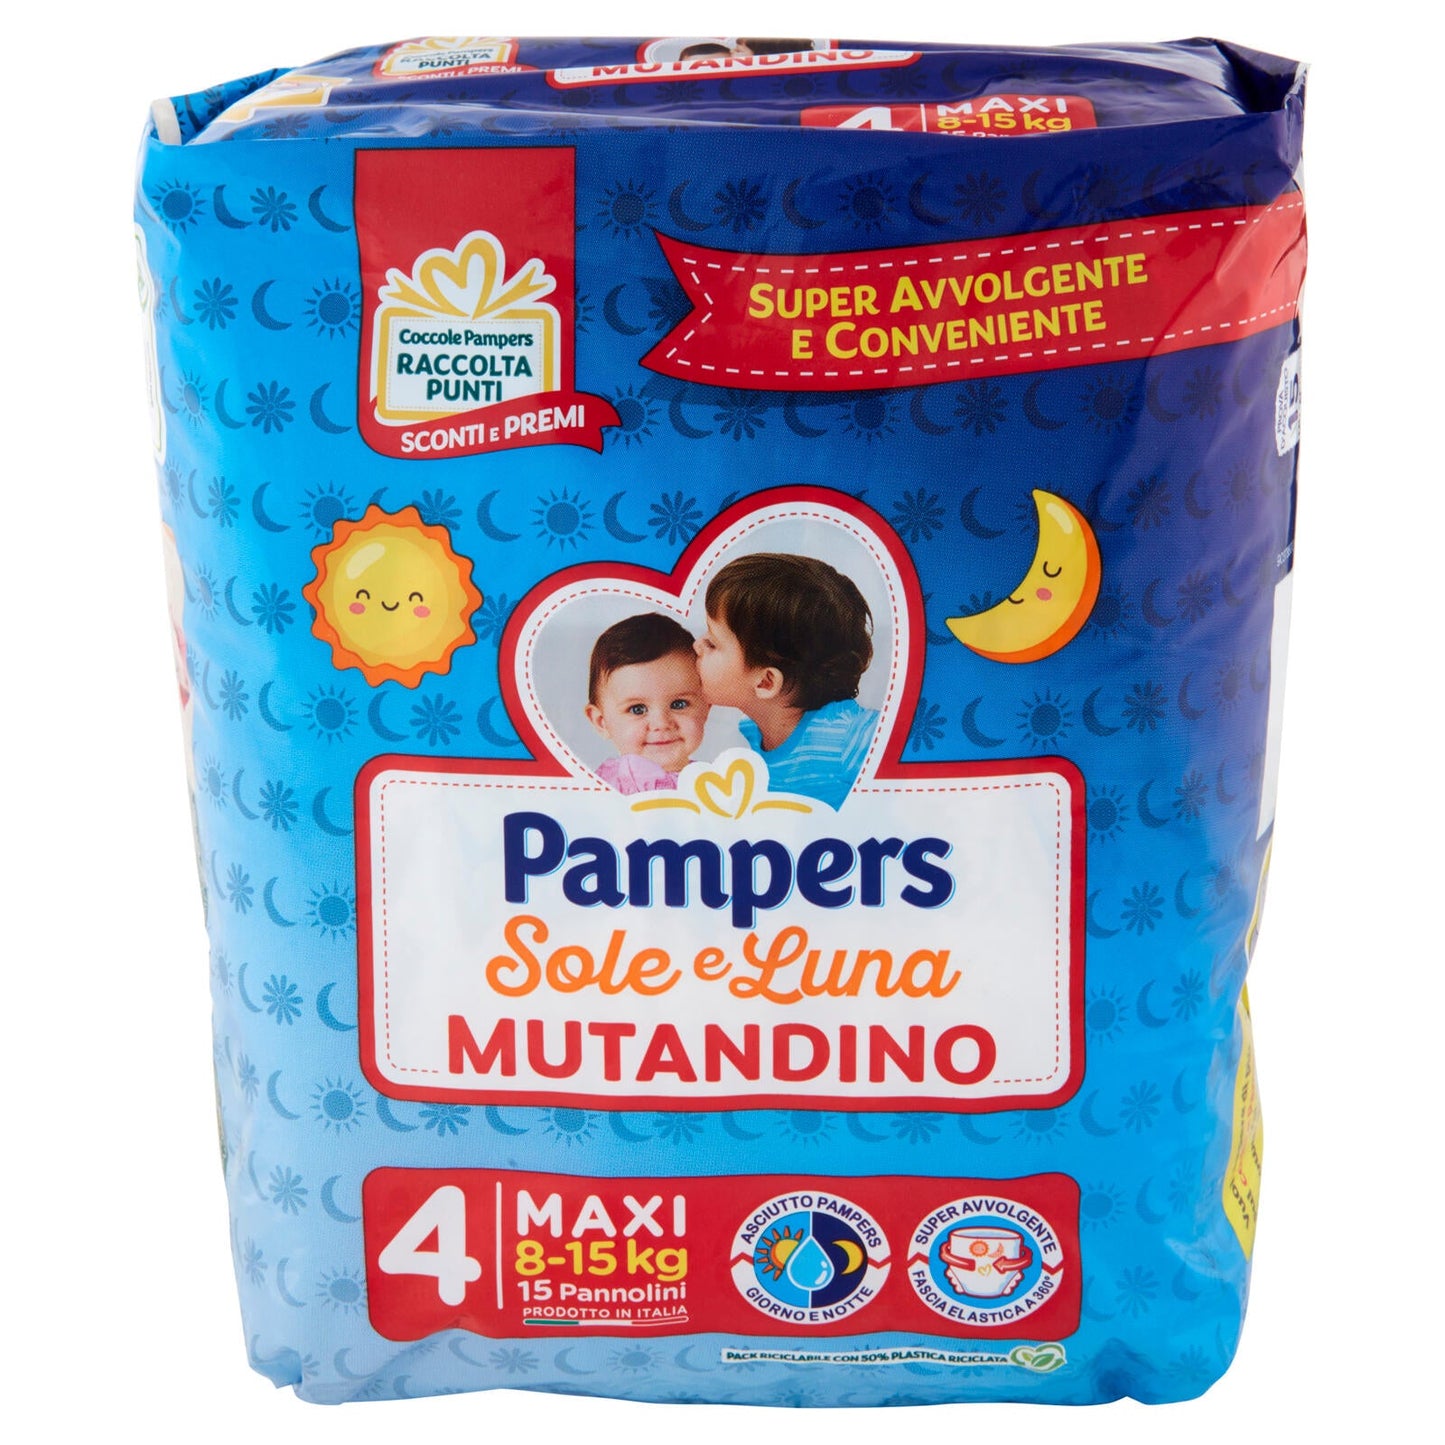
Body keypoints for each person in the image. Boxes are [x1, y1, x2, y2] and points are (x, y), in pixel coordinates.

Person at [695, 553, 877, 809]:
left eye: (713, 643)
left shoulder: (854, 738)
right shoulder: (753, 733)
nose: (697, 645)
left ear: (766, 682)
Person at [586, 613, 710, 794]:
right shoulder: (605, 788)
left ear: (706, 706)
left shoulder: (714, 783)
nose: (661, 724)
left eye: (678, 704)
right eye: (637, 709)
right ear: (601, 722)